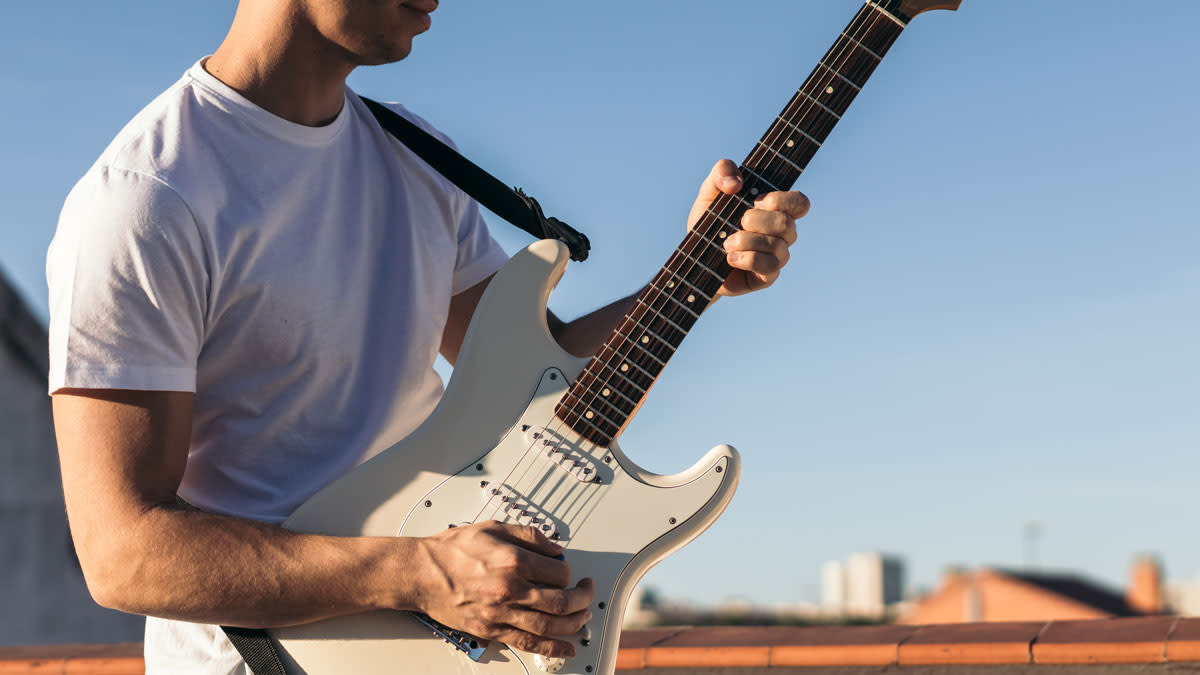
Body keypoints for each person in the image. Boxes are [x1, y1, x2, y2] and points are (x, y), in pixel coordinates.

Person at [47, 0, 809, 672]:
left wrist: (693, 275)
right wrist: (420, 574)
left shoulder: (414, 157)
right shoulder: (150, 198)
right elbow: (124, 553)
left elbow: (541, 407)